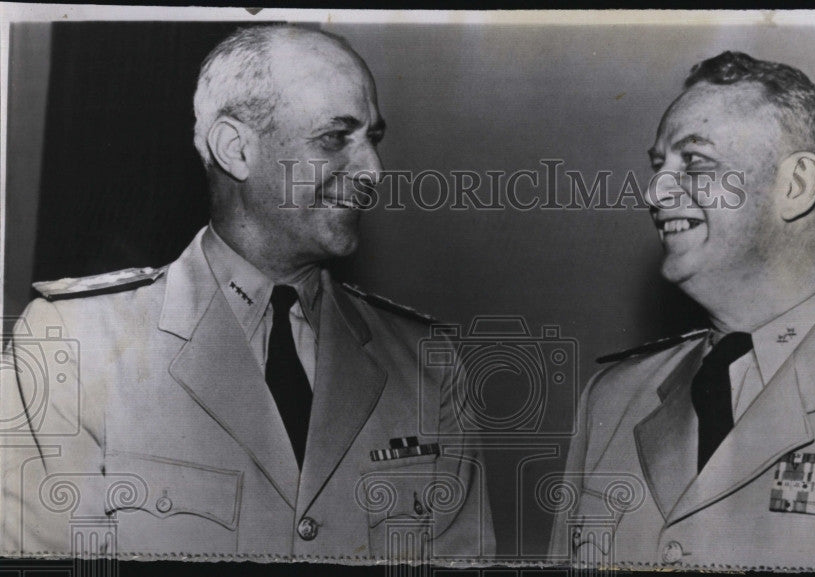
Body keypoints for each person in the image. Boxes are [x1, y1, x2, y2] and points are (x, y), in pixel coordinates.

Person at [1, 25, 494, 561]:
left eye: (372, 138)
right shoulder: (72, 343)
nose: (373, 171)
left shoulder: (428, 365)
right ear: (236, 149)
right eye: (335, 137)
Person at [548, 51, 815, 571]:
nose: (654, 192)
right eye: (658, 165)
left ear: (795, 187)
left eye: (695, 162)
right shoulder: (613, 400)